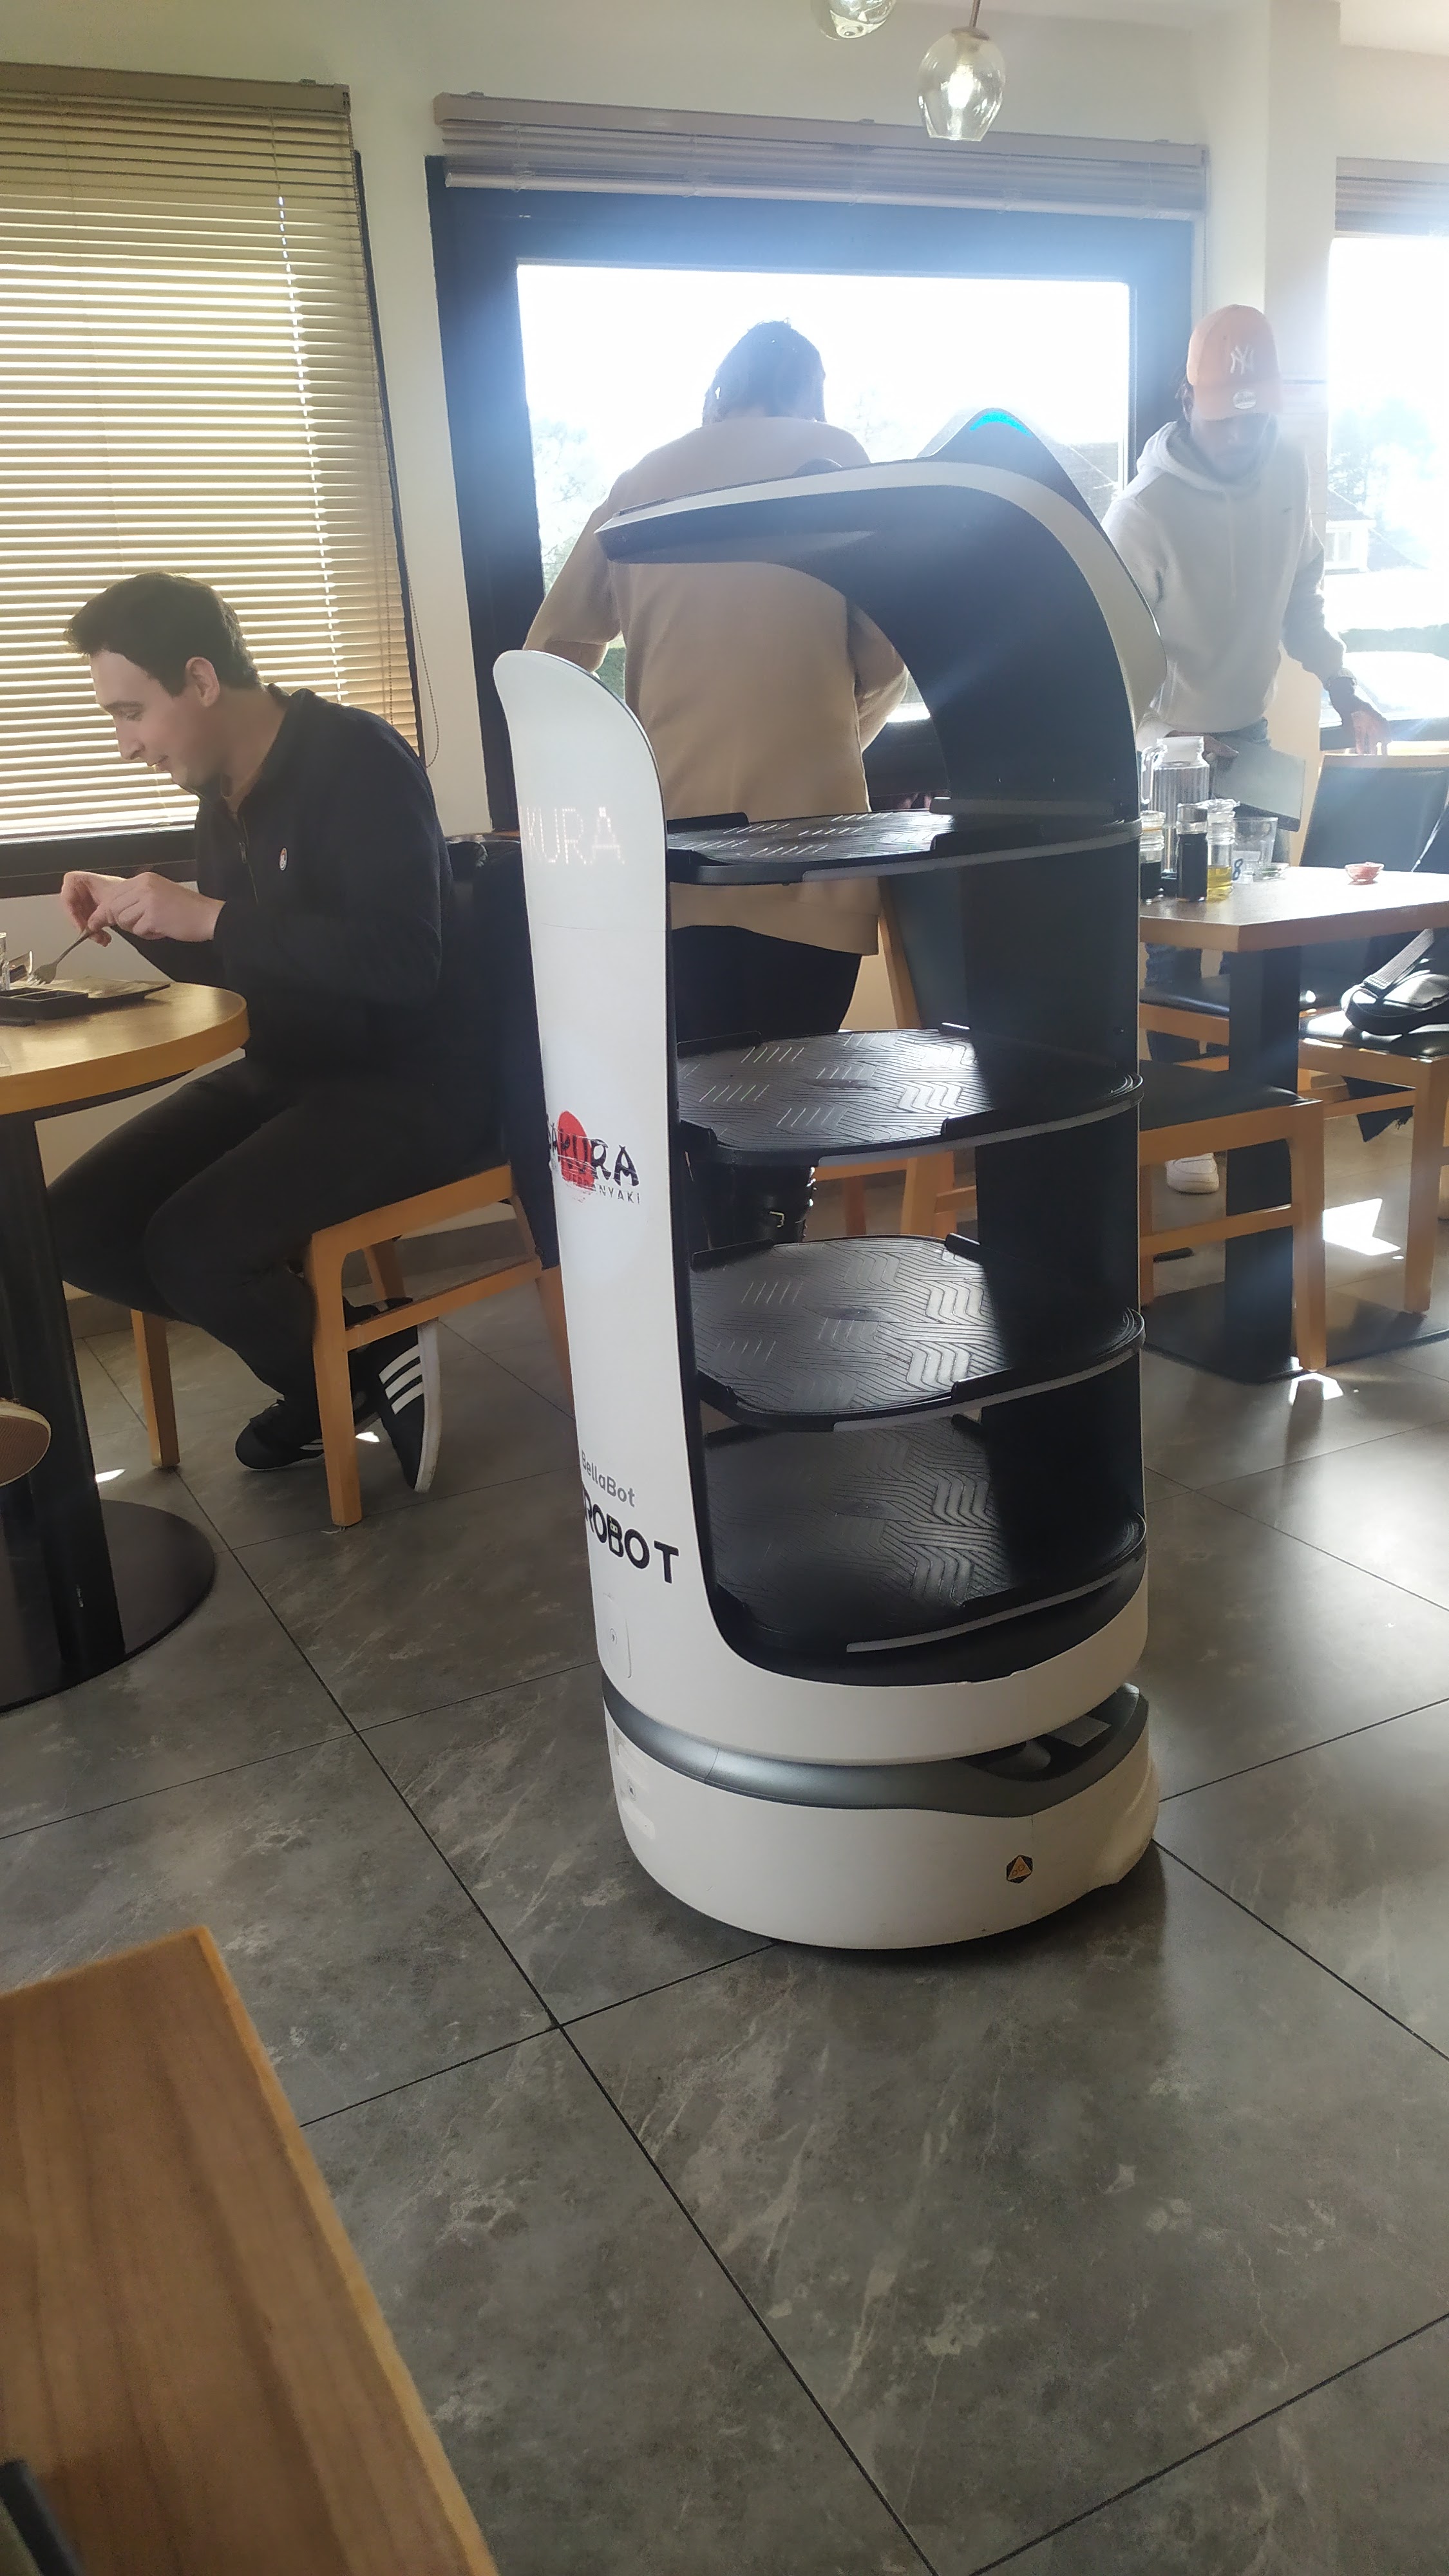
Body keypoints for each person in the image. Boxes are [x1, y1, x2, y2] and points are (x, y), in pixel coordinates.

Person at [47, 573, 498, 1489]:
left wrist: (211, 917)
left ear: (201, 680)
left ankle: (323, 1370)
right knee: (71, 1226)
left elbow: (403, 963)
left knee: (192, 1246)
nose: (126, 744)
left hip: (409, 1084)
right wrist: (145, 920)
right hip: (288, 1067)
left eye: (131, 712)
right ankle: (351, 1361)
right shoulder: (221, 797)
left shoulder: (356, 757)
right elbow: (245, 971)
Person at [527, 321, 906, 1243]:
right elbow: (889, 650)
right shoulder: (835, 462)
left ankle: (711, 1276)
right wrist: (836, 723)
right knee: (786, 1108)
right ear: (811, 395)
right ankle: (774, 1246)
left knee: (700, 1100)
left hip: (673, 857)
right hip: (811, 850)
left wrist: (618, 766)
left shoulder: (643, 481)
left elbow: (551, 654)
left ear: (715, 396)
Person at [1106, 305, 1390, 1193]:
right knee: (1172, 940)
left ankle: (1254, 1110)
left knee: (1258, 931)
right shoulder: (1142, 510)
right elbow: (1115, 651)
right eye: (1225, 420)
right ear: (1186, 398)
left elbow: (1301, 596)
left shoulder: (1287, 471)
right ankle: (1183, 1127)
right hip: (1170, 751)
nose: (1240, 437)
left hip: (1251, 735)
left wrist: (1342, 685)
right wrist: (1153, 747)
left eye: (1255, 419)